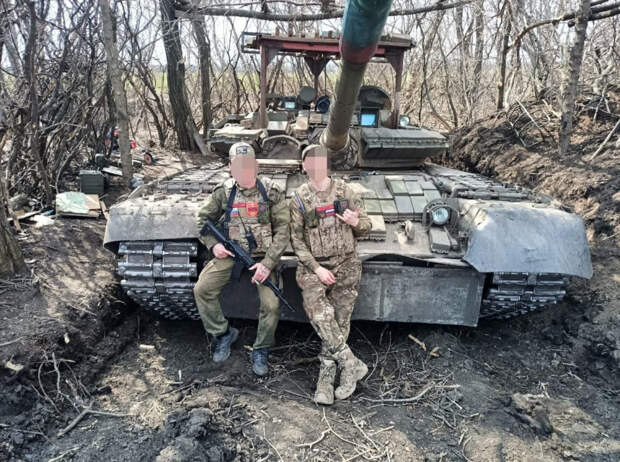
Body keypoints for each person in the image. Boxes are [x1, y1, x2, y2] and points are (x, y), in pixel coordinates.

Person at [194, 142, 290, 376]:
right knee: (202, 289)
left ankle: (261, 347)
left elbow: (283, 231)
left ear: (256, 165)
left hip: (264, 257)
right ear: (230, 166)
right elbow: (202, 219)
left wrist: (267, 264)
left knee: (271, 304)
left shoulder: (271, 192)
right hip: (232, 254)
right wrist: (214, 245)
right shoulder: (224, 192)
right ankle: (223, 333)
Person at [289, 144, 371, 404]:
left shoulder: (346, 191)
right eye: (310, 160)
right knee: (321, 313)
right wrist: (317, 268)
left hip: (346, 263)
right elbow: (297, 241)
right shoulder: (299, 198)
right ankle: (350, 362)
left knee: (339, 319)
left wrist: (355, 222)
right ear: (304, 166)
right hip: (315, 267)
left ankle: (328, 375)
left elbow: (366, 225)